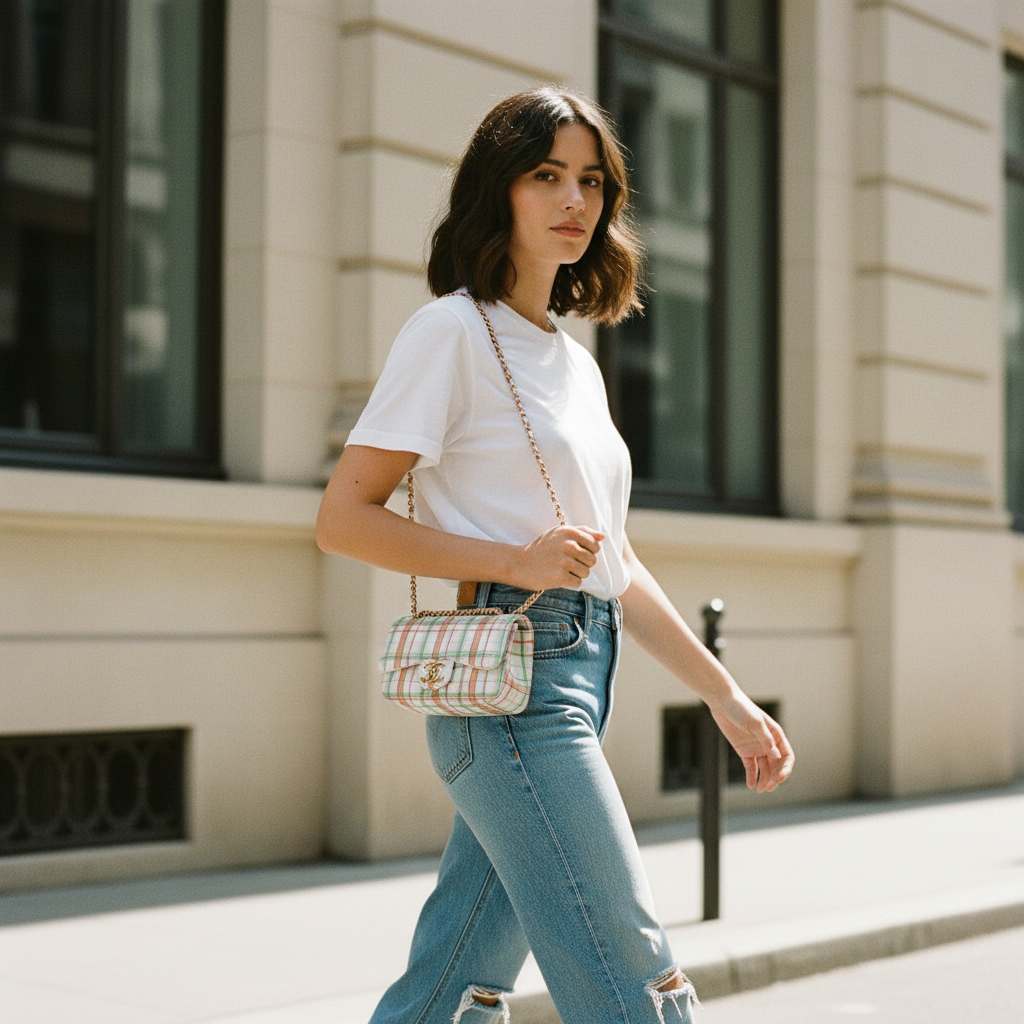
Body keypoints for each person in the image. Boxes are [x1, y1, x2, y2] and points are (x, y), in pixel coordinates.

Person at [316, 86, 794, 1024]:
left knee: (455, 985)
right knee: (631, 965)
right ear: (500, 190)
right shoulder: (451, 331)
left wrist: (722, 695)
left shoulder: (572, 358)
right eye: (546, 176)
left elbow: (613, 561)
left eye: (590, 181)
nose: (574, 200)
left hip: (580, 672)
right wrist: (518, 560)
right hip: (510, 693)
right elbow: (344, 517)